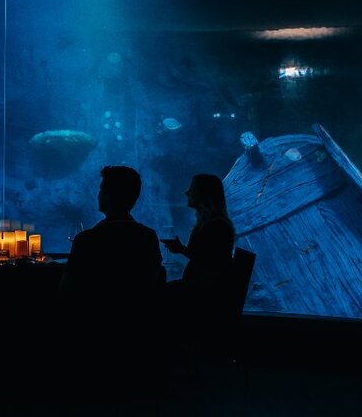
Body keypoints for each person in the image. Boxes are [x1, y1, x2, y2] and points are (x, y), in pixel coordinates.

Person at [59, 165, 166, 395]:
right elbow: (153, 283)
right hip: (136, 330)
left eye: (101, 189)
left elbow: (66, 290)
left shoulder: (87, 240)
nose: (98, 194)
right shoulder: (148, 237)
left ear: (107, 196)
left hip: (93, 331)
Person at [161, 173, 237, 359]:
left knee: (158, 294)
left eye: (192, 189)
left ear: (204, 194)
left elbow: (208, 262)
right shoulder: (215, 224)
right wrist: (181, 249)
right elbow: (207, 258)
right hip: (202, 288)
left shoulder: (215, 225)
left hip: (203, 292)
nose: (187, 192)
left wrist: (182, 250)